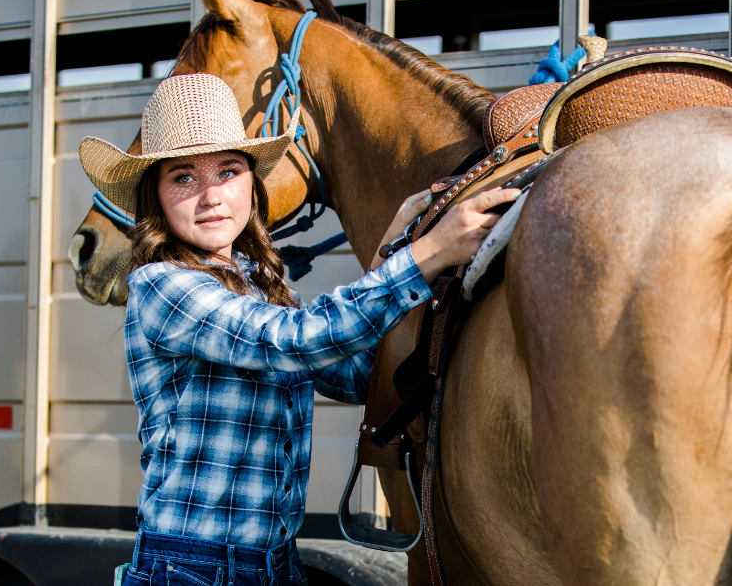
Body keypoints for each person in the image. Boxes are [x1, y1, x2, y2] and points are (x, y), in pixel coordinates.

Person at [78, 73, 520, 586]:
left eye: (228, 170)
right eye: (183, 177)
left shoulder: (262, 285)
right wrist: (426, 255)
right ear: (154, 194)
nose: (211, 196)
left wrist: (392, 254)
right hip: (189, 568)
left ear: (250, 182)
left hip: (277, 565)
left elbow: (353, 376)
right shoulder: (161, 287)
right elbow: (292, 340)